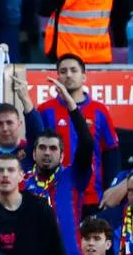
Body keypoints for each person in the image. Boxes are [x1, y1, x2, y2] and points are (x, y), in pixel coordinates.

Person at [39, 54, 119, 210]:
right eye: (63, 71)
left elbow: (111, 153)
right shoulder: (45, 110)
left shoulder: (99, 110)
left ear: (84, 77)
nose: (68, 74)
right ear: (58, 77)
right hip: (56, 196)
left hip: (93, 199)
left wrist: (110, 189)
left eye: (73, 70)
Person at [24, 105, 94, 255]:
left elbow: (87, 143)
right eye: (42, 148)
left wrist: (72, 108)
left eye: (53, 148)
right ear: (34, 154)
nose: (47, 152)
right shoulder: (22, 183)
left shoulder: (73, 176)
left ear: (62, 156)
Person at [0, 97, 41, 196]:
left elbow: (38, 133)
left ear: (19, 124)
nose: (5, 128)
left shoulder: (32, 153)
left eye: (9, 123)